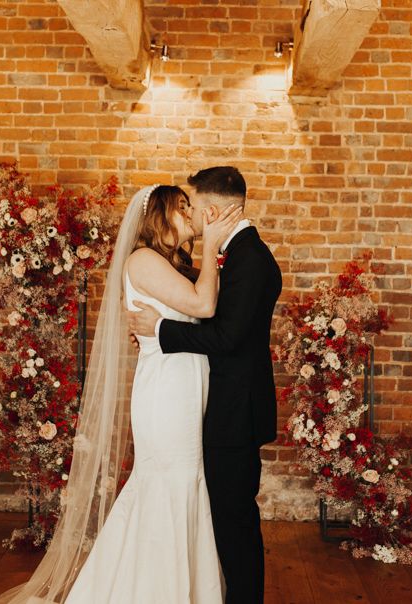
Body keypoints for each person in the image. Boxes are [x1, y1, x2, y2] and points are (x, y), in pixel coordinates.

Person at [0, 183, 241, 604]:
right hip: (166, 397)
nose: (193, 215)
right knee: (167, 484)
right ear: (160, 216)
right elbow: (203, 306)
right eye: (183, 208)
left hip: (186, 390)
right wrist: (214, 246)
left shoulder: (173, 264)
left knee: (183, 484)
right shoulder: (143, 261)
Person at [128, 167, 282, 604]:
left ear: (212, 210)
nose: (191, 215)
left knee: (234, 523)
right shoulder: (234, 254)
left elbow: (227, 336)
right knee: (224, 519)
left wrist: (160, 331)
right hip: (217, 406)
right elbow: (195, 299)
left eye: (192, 207)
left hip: (234, 412)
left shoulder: (248, 259)